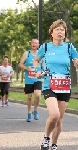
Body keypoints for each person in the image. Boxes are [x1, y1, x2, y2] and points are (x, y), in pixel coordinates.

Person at [33, 19, 78, 150]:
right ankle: (46, 137)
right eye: (57, 29)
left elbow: (76, 59)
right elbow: (36, 60)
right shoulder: (46, 47)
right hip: (49, 85)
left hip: (64, 86)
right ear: (52, 33)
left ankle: (54, 144)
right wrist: (37, 71)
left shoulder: (69, 47)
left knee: (59, 119)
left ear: (65, 33)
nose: (60, 32)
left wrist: (76, 63)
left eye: (62, 30)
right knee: (55, 115)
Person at [18, 38, 42, 122]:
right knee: (29, 97)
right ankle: (29, 113)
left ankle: (35, 111)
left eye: (36, 43)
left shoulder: (41, 54)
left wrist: (42, 72)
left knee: (38, 95)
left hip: (38, 78)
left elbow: (44, 65)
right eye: (33, 43)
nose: (34, 44)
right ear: (30, 44)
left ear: (38, 45)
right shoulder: (26, 53)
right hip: (29, 79)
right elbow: (20, 64)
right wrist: (26, 67)